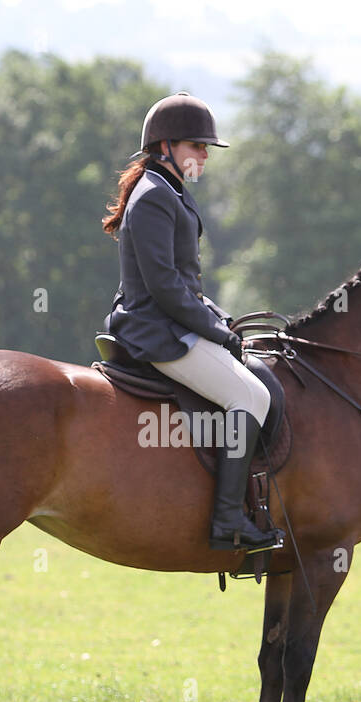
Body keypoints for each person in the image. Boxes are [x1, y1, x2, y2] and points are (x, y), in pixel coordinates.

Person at [102, 92, 281, 553]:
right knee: (251, 394)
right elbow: (165, 288)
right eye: (196, 146)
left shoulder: (170, 190)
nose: (204, 155)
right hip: (156, 331)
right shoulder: (155, 197)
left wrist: (223, 319)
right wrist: (217, 332)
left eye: (206, 148)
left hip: (171, 321)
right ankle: (228, 521)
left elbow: (187, 285)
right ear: (165, 147)